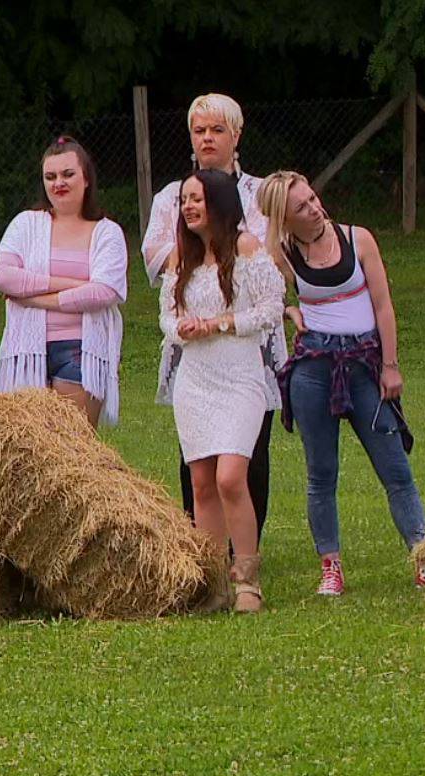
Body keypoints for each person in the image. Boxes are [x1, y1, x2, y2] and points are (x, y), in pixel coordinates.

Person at [259, 171, 425, 595]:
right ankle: (330, 565)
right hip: (314, 368)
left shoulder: (358, 239)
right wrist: (289, 311)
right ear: (283, 217)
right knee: (321, 473)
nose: (315, 209)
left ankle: (424, 557)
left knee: (395, 468)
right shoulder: (279, 254)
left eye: (313, 199)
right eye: (301, 207)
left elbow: (383, 305)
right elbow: (258, 294)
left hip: (365, 364)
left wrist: (390, 365)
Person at [142, 93, 282, 535]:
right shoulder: (171, 196)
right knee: (197, 459)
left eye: (217, 130)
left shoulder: (259, 193)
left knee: (248, 452)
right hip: (193, 339)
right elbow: (157, 256)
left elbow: (267, 255)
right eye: (199, 130)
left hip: (247, 344)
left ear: (236, 135)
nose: (207, 138)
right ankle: (203, 548)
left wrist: (222, 252)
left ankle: (246, 545)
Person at [160, 169, 284, 613]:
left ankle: (247, 579)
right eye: (184, 200)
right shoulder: (182, 257)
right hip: (195, 380)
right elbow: (166, 320)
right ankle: (211, 583)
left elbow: (272, 309)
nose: (190, 207)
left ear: (219, 201)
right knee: (201, 482)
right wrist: (184, 329)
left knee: (232, 476)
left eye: (197, 198)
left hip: (239, 376)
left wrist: (222, 323)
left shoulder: (246, 248)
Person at [0, 136, 127, 428]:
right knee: (32, 449)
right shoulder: (26, 223)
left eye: (68, 174)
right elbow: (2, 276)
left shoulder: (107, 232)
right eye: (50, 177)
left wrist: (34, 298)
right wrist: (72, 283)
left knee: (72, 451)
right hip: (28, 352)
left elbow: (104, 292)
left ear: (86, 178)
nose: (58, 183)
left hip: (81, 350)